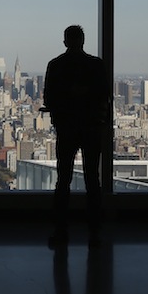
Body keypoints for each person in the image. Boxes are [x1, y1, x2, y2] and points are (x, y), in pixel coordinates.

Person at [43, 25, 109, 239]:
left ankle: (60, 229)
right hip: (91, 126)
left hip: (67, 127)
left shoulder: (56, 65)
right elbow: (105, 95)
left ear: (65, 42)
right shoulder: (96, 65)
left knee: (63, 178)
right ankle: (95, 230)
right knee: (92, 178)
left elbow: (49, 99)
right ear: (83, 40)